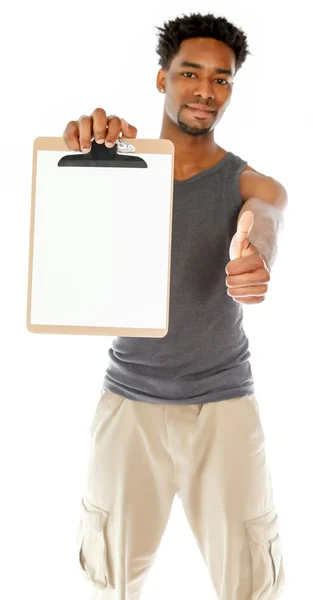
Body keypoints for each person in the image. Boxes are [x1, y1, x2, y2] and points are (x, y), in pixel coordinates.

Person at [64, 12, 287, 600]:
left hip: (225, 406)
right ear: (162, 79)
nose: (205, 91)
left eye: (222, 79)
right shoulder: (120, 167)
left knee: (250, 583)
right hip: (128, 403)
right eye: (191, 73)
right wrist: (86, 145)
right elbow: (66, 218)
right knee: (109, 582)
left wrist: (253, 254)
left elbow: (264, 218)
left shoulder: (250, 184)